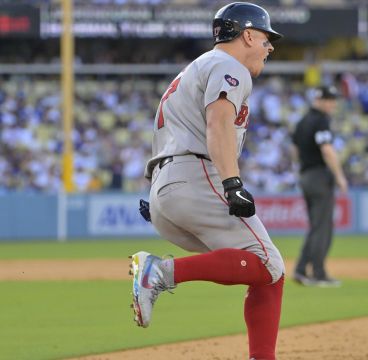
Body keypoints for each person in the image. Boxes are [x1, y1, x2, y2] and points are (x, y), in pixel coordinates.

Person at [129, 3, 285, 360]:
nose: (269, 46)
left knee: (266, 270)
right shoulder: (230, 66)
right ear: (248, 35)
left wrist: (163, 197)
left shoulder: (194, 68)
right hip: (197, 175)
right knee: (267, 263)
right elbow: (218, 125)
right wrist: (232, 183)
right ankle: (159, 272)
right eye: (265, 37)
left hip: (168, 186)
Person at [291, 85, 348, 287]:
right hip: (319, 176)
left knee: (316, 227)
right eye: (330, 100)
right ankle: (318, 273)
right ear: (321, 100)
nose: (333, 104)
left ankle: (300, 269)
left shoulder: (302, 121)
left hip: (306, 175)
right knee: (323, 228)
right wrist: (340, 176)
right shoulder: (321, 120)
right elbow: (327, 150)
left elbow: (295, 150)